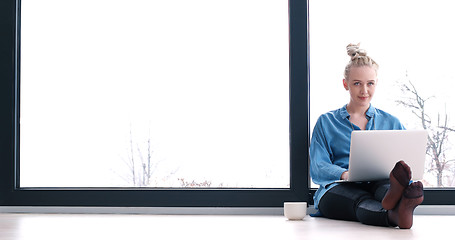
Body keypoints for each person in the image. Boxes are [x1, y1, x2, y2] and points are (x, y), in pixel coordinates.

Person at [309, 43, 424, 229]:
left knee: (386, 188)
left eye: (370, 83)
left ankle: (395, 204)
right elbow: (318, 166)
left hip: (379, 183)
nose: (364, 91)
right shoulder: (326, 121)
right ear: (345, 84)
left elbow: (405, 162)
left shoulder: (392, 122)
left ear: (376, 83)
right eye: (357, 83)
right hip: (338, 188)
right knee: (360, 200)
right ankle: (395, 216)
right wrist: (344, 174)